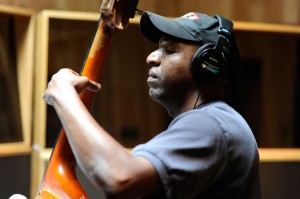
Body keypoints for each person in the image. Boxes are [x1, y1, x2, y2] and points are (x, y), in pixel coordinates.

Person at [43, 11, 261, 199]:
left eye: (170, 50)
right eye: (158, 48)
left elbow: (118, 177)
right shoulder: (216, 121)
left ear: (208, 64)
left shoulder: (210, 123)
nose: (151, 57)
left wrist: (65, 97)